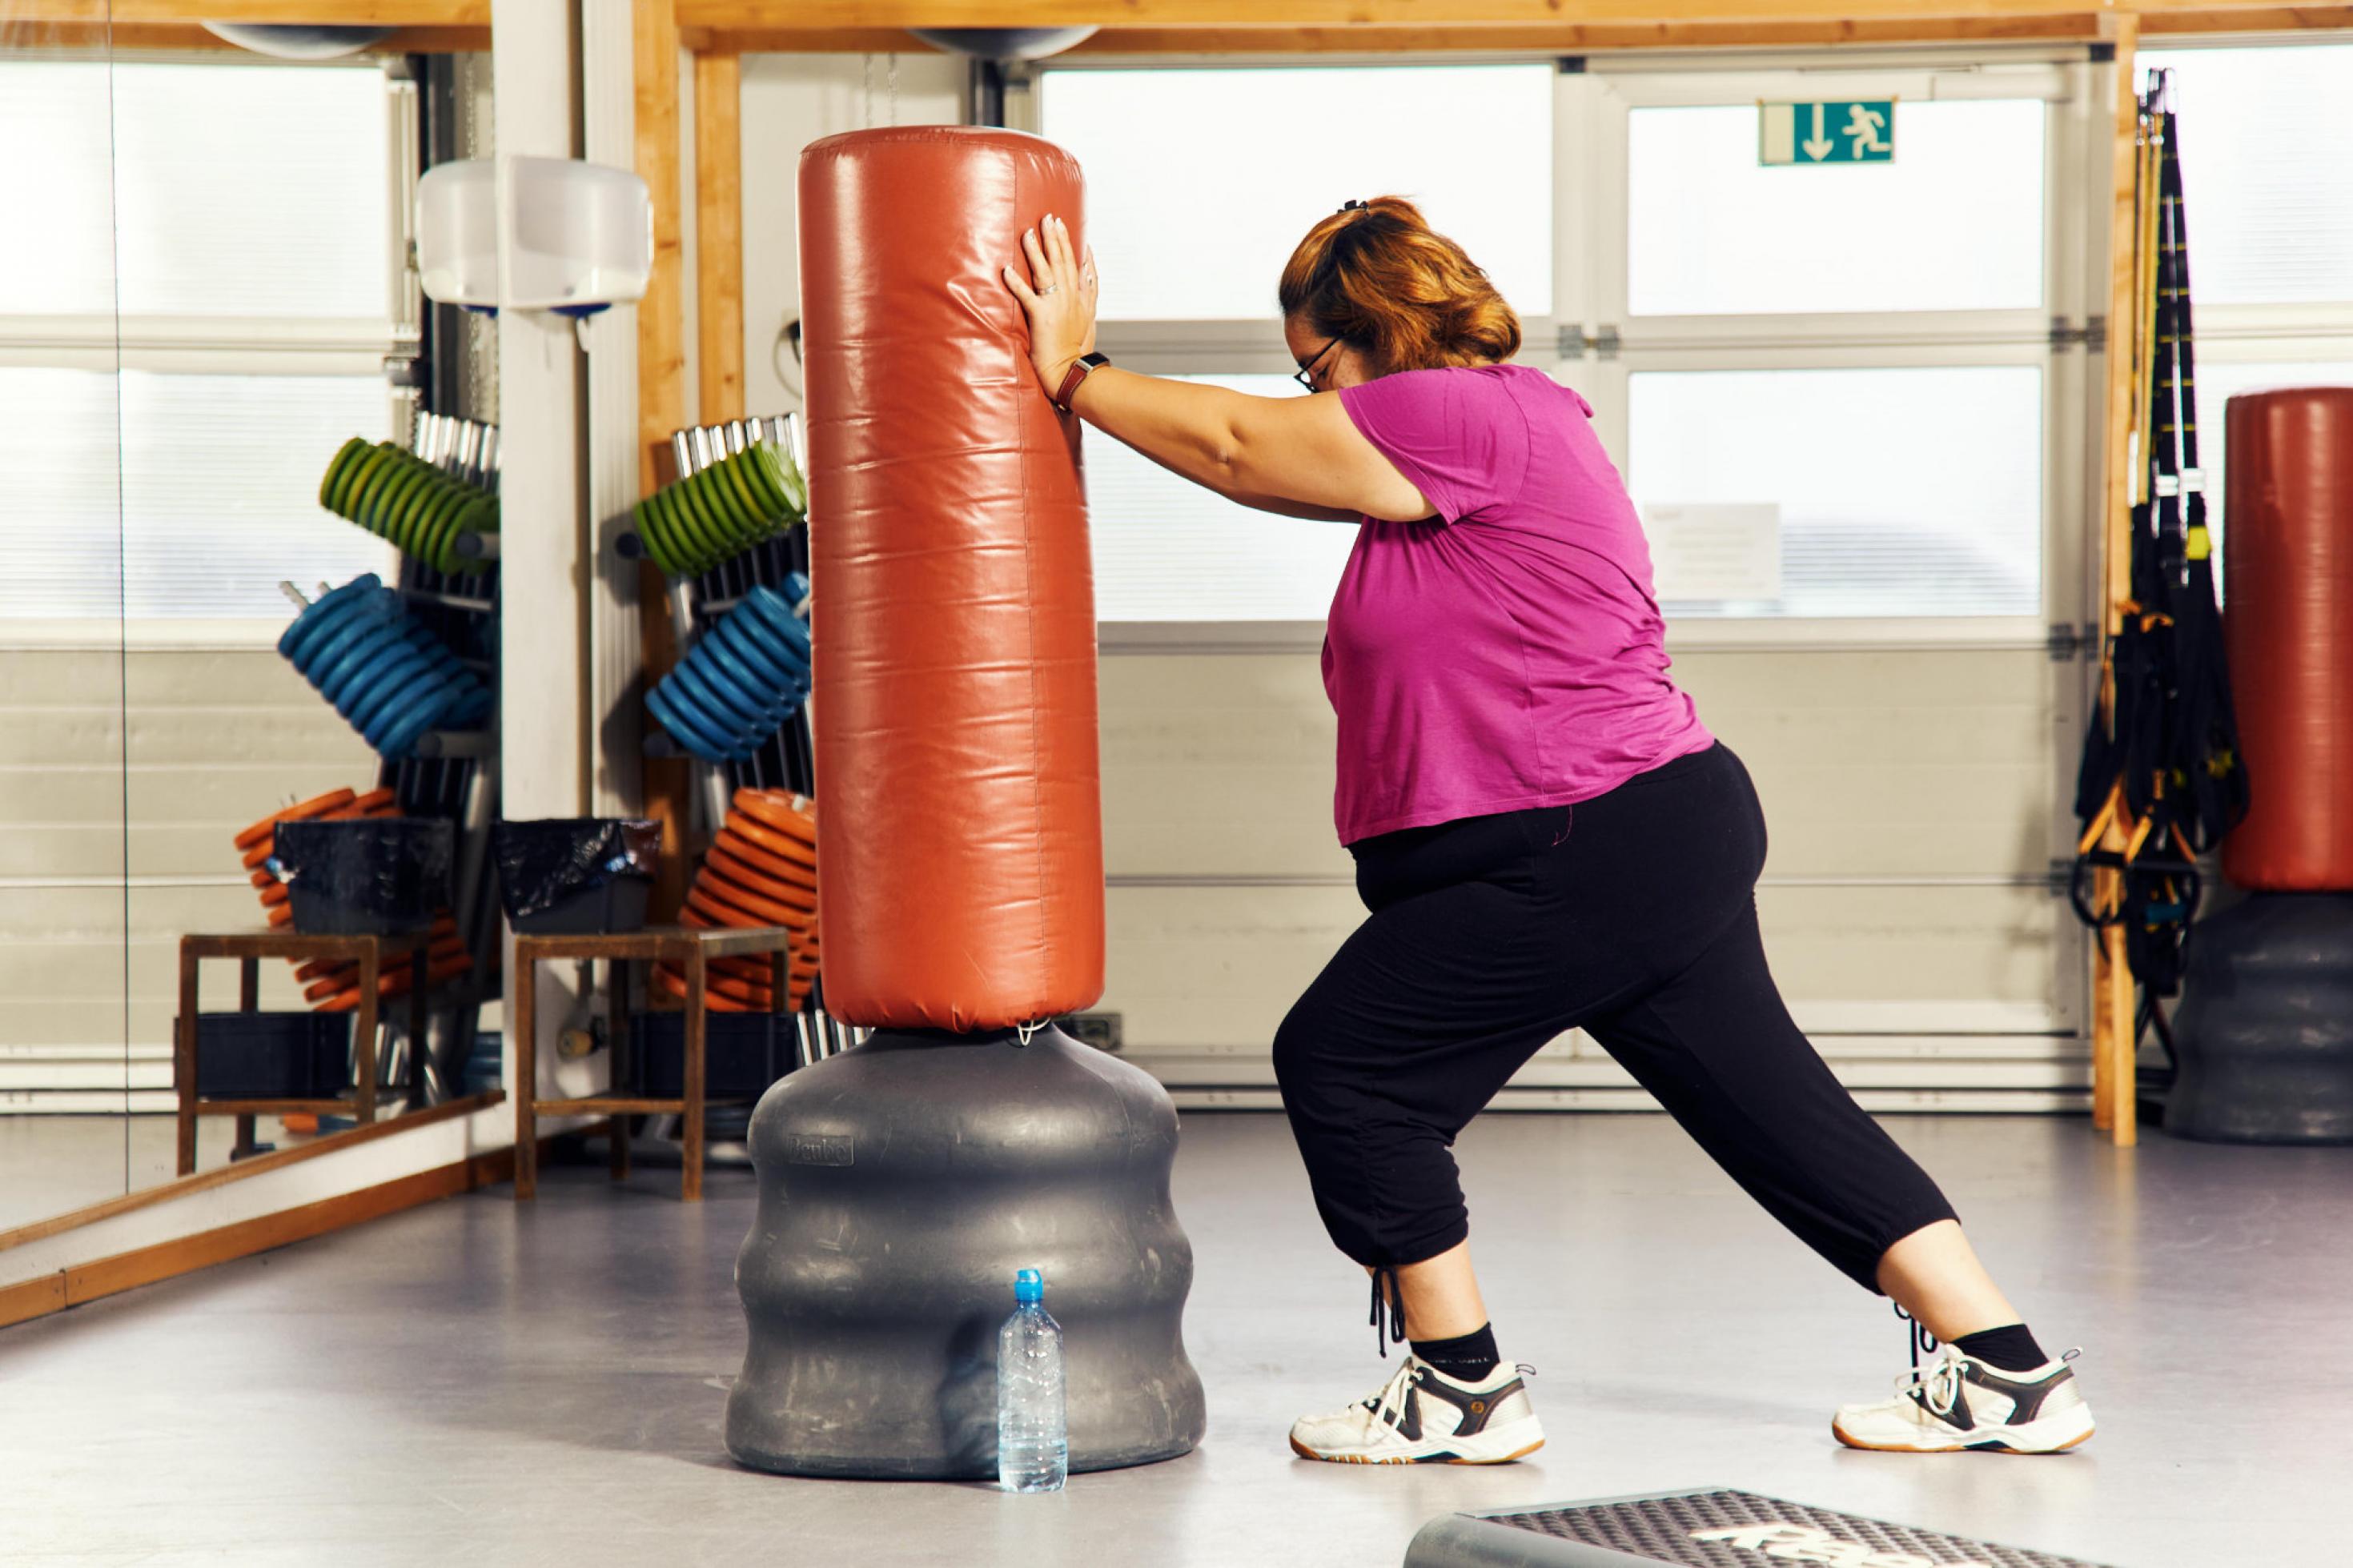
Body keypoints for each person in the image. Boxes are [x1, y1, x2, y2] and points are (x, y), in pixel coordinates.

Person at [1003, 197, 2094, 1466]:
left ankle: (1459, 1387)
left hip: (1586, 838)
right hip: (1639, 832)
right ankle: (2005, 1368)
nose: (1312, 397)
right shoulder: (1469, 449)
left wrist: (1073, 374)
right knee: (1775, 1113)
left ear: (1379, 332)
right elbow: (1271, 469)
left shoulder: (1462, 407)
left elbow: (1247, 447)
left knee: (1350, 1068)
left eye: (1317, 366)